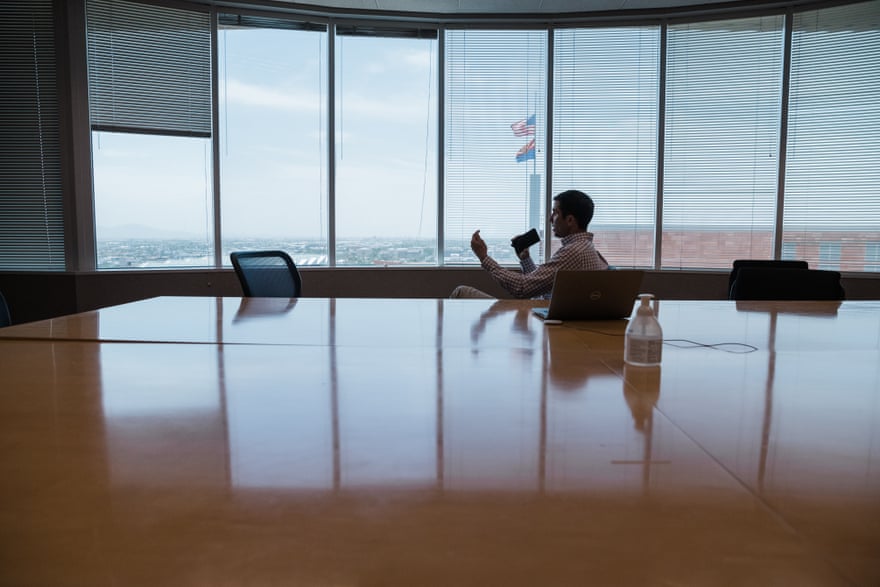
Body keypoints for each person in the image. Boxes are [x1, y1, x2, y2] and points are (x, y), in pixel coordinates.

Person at [451, 190, 608, 299]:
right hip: (538, 309)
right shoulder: (587, 248)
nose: (550, 219)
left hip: (537, 317)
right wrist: (525, 259)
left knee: (461, 292)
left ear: (570, 220)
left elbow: (522, 288)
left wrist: (484, 258)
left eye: (555, 213)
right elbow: (541, 285)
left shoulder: (573, 252)